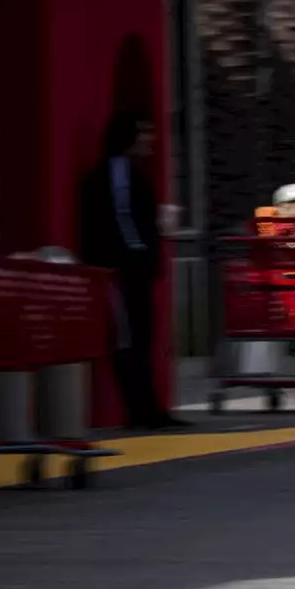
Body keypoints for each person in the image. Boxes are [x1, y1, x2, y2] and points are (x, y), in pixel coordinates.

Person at [79, 112, 187, 431]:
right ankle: (141, 409)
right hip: (123, 268)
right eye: (143, 134)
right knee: (130, 337)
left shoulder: (134, 173)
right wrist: (137, 254)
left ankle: (147, 407)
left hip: (132, 266)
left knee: (141, 337)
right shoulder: (117, 172)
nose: (150, 141)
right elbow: (124, 218)